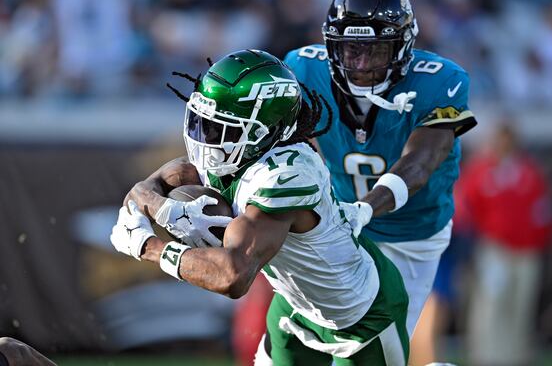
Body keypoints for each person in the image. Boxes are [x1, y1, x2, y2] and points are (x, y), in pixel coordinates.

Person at [112, 49, 410, 365]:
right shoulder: (235, 156)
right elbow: (145, 188)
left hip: (361, 315)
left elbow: (232, 276)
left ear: (264, 131)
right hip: (297, 307)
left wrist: (150, 246)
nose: (204, 139)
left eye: (218, 130)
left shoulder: (285, 176)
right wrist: (162, 209)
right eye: (201, 123)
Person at [283, 0, 477, 347]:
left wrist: (363, 210)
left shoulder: (442, 80)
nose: (360, 64)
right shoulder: (305, 68)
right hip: (344, 224)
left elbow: (419, 164)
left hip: (411, 234)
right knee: (304, 334)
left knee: (380, 345)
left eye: (374, 50)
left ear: (402, 46)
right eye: (350, 50)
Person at [461, 122, 552, 365]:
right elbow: (467, 206)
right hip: (495, 249)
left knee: (521, 305)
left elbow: (542, 211)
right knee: (491, 306)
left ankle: (516, 357)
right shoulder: (481, 170)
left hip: (526, 251)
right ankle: (487, 357)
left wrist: (538, 241)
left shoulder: (528, 171)